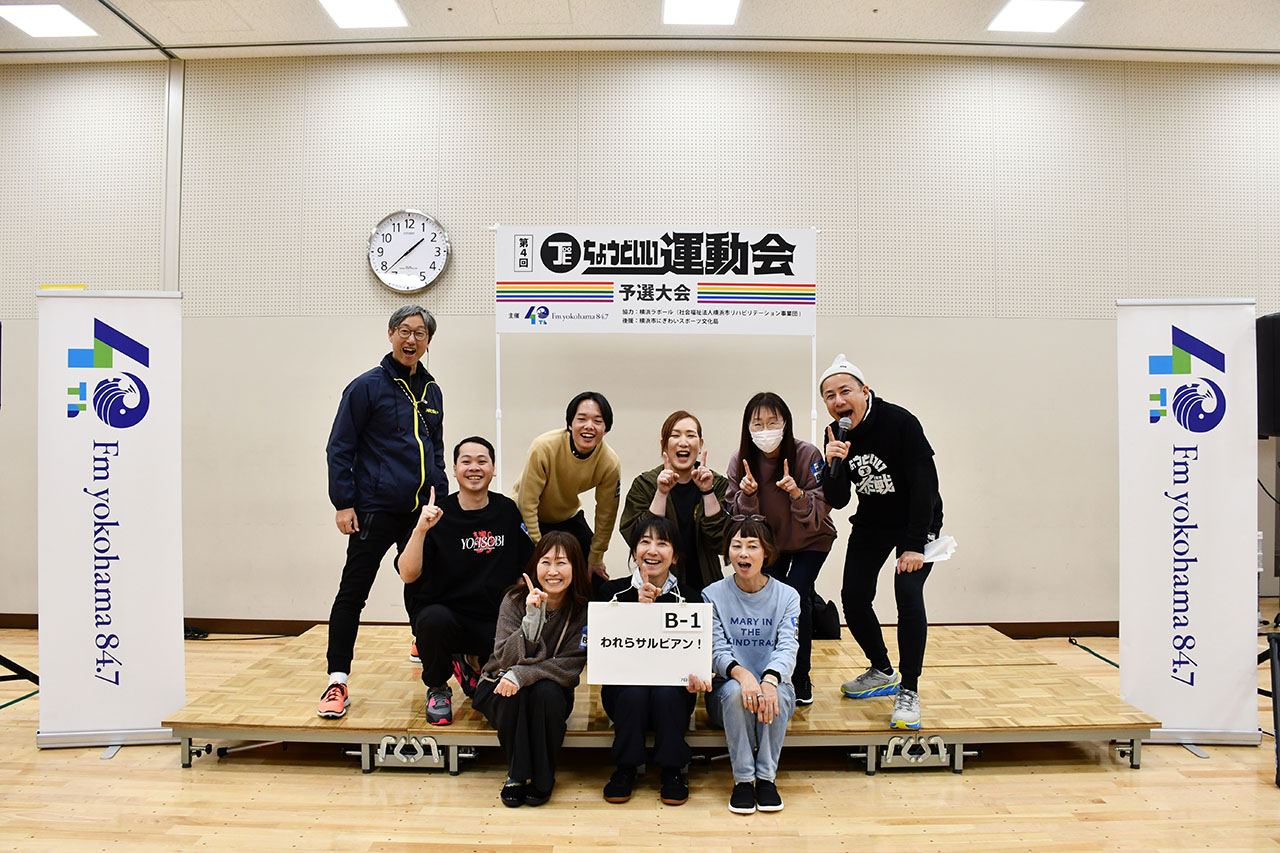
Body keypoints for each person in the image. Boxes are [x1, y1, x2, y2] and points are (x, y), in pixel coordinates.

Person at [319, 306, 447, 719]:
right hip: (373, 510)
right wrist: (344, 502)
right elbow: (339, 447)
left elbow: (436, 451)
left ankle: (428, 657)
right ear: (391, 334)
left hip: (419, 512)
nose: (412, 340)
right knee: (353, 593)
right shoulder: (365, 387)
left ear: (428, 341)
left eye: (420, 333)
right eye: (404, 331)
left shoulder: (432, 391)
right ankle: (337, 680)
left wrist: (440, 497)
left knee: (424, 588)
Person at [819, 353, 944, 731]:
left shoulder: (900, 422)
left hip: (917, 521)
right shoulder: (836, 433)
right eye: (829, 396)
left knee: (907, 593)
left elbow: (925, 484)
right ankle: (882, 670)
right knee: (853, 597)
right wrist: (832, 465)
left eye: (845, 391)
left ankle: (909, 689)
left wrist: (915, 544)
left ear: (864, 391)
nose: (838, 401)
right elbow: (839, 499)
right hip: (873, 521)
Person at [395, 436, 533, 726]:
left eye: (482, 461)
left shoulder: (506, 510)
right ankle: (438, 687)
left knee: (491, 695)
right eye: (466, 461)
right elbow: (407, 574)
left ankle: (472, 664)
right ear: (455, 470)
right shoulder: (437, 514)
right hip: (448, 617)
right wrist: (420, 530)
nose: (474, 467)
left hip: (494, 620)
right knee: (433, 620)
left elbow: (525, 568)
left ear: (493, 469)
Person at [724, 392, 835, 706]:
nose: (765, 430)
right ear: (748, 427)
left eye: (773, 422)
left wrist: (797, 493)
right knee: (768, 601)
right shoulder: (740, 460)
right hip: (770, 545)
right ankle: (768, 669)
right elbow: (738, 518)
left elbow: (822, 507)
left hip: (811, 540)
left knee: (797, 596)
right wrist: (747, 495)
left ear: (786, 423)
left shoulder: (807, 454)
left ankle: (800, 676)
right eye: (758, 423)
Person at [471, 531, 591, 808]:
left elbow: (570, 665)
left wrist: (522, 674)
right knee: (517, 695)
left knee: (544, 693)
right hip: (499, 684)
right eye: (545, 562)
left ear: (575, 567)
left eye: (561, 563)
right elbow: (504, 659)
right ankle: (516, 775)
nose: (553, 571)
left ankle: (543, 778)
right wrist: (531, 619)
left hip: (548, 692)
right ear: (535, 566)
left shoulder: (582, 609)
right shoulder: (514, 600)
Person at [596, 516, 699, 806]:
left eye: (662, 543)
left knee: (666, 693)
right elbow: (603, 652)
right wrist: (636, 610)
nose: (652, 550)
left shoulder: (690, 598)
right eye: (645, 542)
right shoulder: (611, 594)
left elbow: (694, 655)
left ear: (675, 556)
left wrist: (700, 674)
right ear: (634, 551)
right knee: (634, 692)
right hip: (623, 694)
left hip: (674, 695)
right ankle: (626, 767)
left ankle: (672, 769)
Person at [699, 518, 799, 815]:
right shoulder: (712, 594)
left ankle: (766, 778)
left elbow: (788, 647)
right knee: (733, 691)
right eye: (736, 546)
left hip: (772, 687)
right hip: (728, 693)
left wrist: (769, 679)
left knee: (777, 693)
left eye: (752, 546)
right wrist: (743, 676)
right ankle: (743, 780)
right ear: (727, 552)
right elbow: (716, 650)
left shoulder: (788, 596)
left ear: (766, 552)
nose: (743, 553)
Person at [513, 391, 622, 595]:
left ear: (606, 428)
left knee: (593, 574)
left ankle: (583, 614)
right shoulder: (544, 447)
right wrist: (539, 547)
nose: (589, 426)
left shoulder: (609, 462)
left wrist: (596, 557)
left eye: (597, 421)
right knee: (528, 574)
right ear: (570, 424)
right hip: (524, 516)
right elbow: (528, 503)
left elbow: (606, 514)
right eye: (582, 419)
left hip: (566, 515)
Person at [618, 410, 729, 602]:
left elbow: (722, 543)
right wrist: (661, 493)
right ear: (664, 445)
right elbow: (634, 537)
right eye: (675, 435)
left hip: (706, 586)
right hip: (657, 587)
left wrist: (707, 492)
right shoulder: (645, 484)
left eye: (690, 435)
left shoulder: (717, 484)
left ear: (700, 444)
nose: (683, 442)